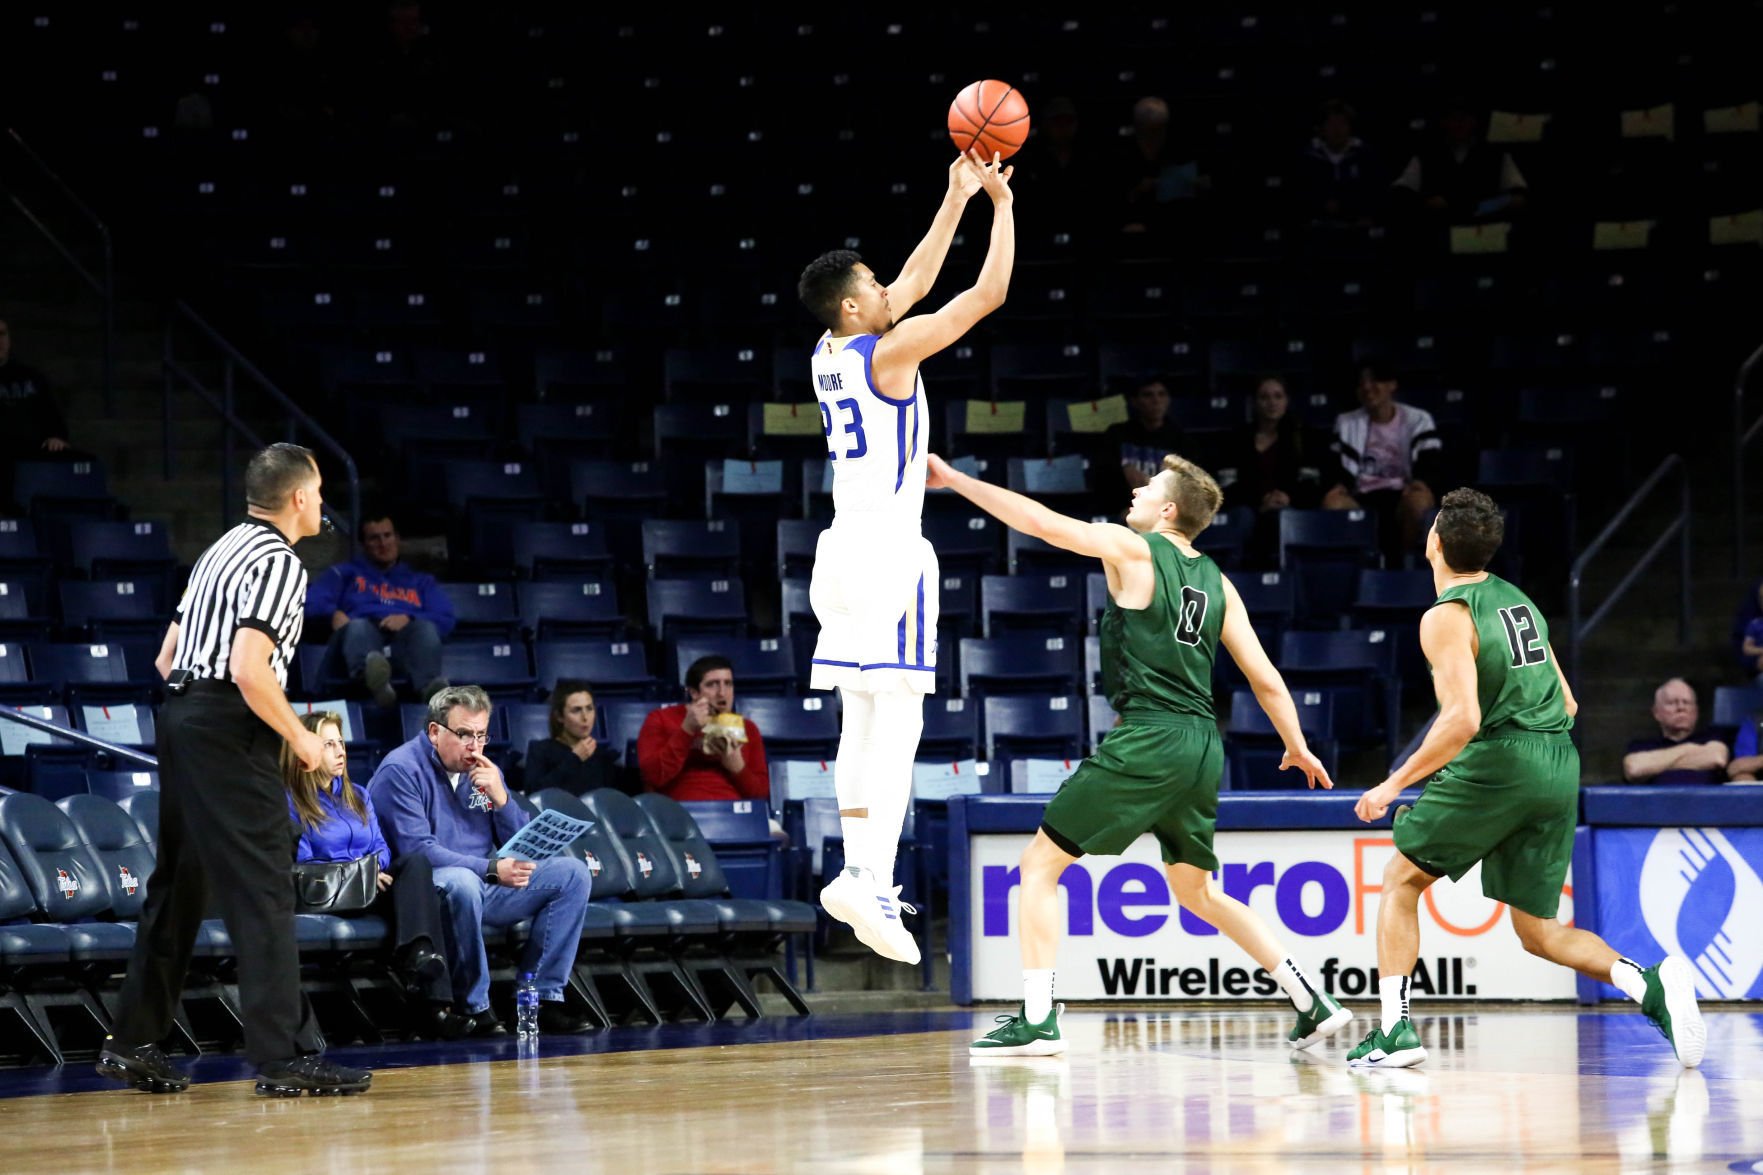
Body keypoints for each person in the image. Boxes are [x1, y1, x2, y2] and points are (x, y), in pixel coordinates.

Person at [928, 451, 1349, 1057]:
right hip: (1202, 743)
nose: (1135, 492)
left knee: (1038, 867)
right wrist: (1297, 745)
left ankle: (1038, 1019)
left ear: (1169, 509)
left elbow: (1042, 524)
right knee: (1198, 891)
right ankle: (1312, 998)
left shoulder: (1131, 549)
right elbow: (1265, 679)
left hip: (1149, 734)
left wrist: (957, 480)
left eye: (1147, 487)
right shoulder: (1219, 582)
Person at [1351, 488, 1704, 1069]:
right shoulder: (1519, 601)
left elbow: (1462, 719)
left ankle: (1394, 1033)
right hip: (1558, 762)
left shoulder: (1445, 616)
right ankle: (1648, 984)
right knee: (1537, 932)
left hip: (1505, 761)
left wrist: (1394, 783)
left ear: (1433, 542)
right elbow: (1566, 704)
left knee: (1399, 880)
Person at [794, 148, 1015, 966]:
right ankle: (871, 877)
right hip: (890, 552)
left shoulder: (829, 349)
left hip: (838, 549)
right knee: (903, 723)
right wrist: (1000, 207)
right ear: (855, 306)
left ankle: (856, 870)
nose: (890, 290)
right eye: (875, 286)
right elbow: (983, 295)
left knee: (859, 715)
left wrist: (952, 196)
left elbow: (912, 287)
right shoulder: (889, 354)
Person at [98, 443, 372, 1096]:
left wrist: (200, 720)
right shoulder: (281, 564)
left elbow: (167, 658)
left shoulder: (218, 551)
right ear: (301, 497)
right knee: (265, 884)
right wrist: (300, 737)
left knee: (180, 884)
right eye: (319, 491)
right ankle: (284, 1056)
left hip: (184, 715)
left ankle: (132, 1040)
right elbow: (250, 668)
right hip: (228, 721)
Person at [369, 685, 595, 1036]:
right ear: (434, 732)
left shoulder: (485, 771)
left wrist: (502, 799)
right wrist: (490, 868)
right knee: (462, 882)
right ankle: (475, 1005)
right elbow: (418, 850)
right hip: (429, 891)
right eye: (463, 735)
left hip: (486, 882)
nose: (474, 746)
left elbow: (523, 845)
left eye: (481, 735)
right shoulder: (400, 770)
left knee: (573, 874)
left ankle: (543, 998)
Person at [282, 710, 462, 1033]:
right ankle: (433, 1004)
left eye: (341, 742)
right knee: (421, 897)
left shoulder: (359, 794)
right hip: (330, 894)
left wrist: (373, 869)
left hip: (368, 886)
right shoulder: (292, 802)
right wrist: (360, 873)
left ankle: (423, 965)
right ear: (304, 752)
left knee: (416, 865)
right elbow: (305, 868)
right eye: (328, 744)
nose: (341, 751)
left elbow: (381, 846)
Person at [306, 513, 454, 708]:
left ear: (397, 539)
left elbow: (446, 618)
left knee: (425, 628)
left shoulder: (420, 581)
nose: (383, 543)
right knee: (358, 627)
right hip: (358, 643)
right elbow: (309, 602)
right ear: (363, 544)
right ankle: (372, 678)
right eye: (374, 538)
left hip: (403, 645)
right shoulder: (344, 573)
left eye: (387, 535)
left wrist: (409, 617)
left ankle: (429, 690)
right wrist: (332, 612)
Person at [1324, 359, 1442, 565]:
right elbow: (1336, 465)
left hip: (1401, 494)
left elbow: (1431, 461)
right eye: (1362, 383)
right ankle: (1362, 564)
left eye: (1374, 381)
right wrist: (1339, 486)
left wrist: (1421, 482)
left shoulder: (1418, 419)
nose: (1367, 387)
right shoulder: (1346, 422)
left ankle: (1405, 563)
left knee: (1419, 501)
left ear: (1391, 385)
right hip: (1361, 496)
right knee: (1332, 503)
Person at [1214, 376, 1343, 561]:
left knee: (1285, 517)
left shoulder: (1305, 437)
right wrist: (1261, 501)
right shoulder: (1236, 439)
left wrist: (1288, 497)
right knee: (1242, 517)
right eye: (1264, 397)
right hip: (1250, 509)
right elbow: (1227, 486)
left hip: (1290, 508)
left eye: (1278, 396)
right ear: (1255, 402)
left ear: (1286, 401)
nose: (1271, 403)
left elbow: (1315, 483)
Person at [636, 655, 768, 802]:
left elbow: (760, 795)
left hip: (734, 815)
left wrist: (738, 769)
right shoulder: (660, 719)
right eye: (712, 684)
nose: (722, 693)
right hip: (681, 812)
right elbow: (653, 777)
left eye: (728, 684)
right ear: (694, 693)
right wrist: (687, 730)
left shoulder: (748, 728)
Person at [1391, 98, 1529, 223]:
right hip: (1441, 229)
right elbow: (1402, 191)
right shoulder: (1425, 155)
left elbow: (1518, 197)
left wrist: (1486, 205)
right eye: (1454, 119)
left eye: (1464, 119)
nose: (1459, 124)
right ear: (1443, 122)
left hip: (1485, 231)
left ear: (1474, 121)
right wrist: (1425, 203)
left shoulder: (1497, 155)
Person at [1293, 99, 1388, 227]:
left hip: (1357, 224)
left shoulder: (1365, 155)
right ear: (1321, 128)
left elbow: (1375, 191)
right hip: (1317, 225)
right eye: (1331, 124)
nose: (1337, 129)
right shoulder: (1308, 157)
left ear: (1350, 127)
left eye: (1342, 123)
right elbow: (1301, 193)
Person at [1094, 377, 1186, 508]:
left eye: (1161, 394)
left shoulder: (1181, 439)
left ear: (1168, 400)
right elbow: (1103, 479)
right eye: (1148, 395)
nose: (1156, 400)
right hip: (1123, 509)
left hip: (1166, 511)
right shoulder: (1117, 434)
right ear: (1135, 401)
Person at [1621, 678, 1730, 785]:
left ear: (1696, 711)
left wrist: (1655, 764)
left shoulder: (1711, 737)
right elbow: (1634, 769)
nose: (1681, 707)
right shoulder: (1642, 746)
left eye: (1686, 702)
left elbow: (1717, 758)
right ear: (1656, 713)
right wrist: (1690, 749)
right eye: (1672, 703)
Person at [524, 679, 622, 796]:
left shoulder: (602, 756)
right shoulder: (540, 750)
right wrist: (574, 759)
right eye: (576, 710)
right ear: (559, 716)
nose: (585, 717)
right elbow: (535, 795)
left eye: (589, 708)